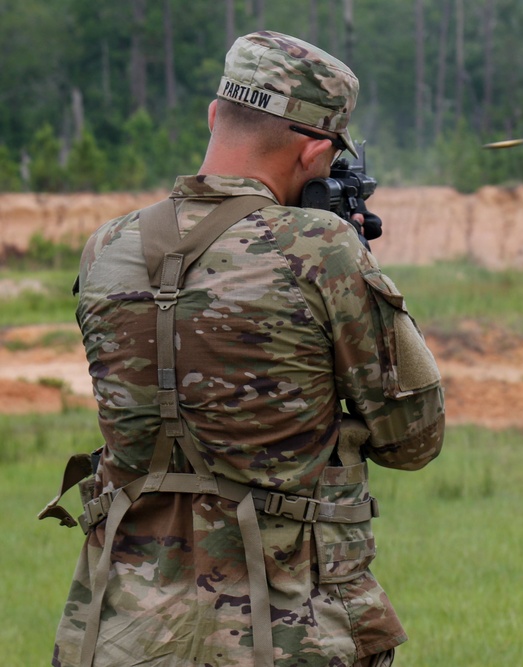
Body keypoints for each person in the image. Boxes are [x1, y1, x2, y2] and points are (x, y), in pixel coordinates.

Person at [48, 30, 445, 667]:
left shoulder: (106, 247)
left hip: (121, 629)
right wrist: (358, 261)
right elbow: (414, 438)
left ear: (214, 116)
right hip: (285, 629)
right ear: (316, 148)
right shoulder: (320, 249)